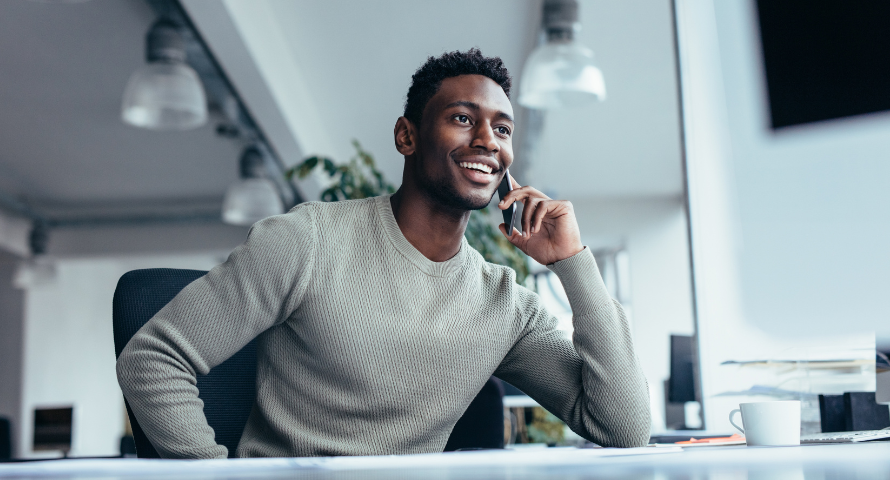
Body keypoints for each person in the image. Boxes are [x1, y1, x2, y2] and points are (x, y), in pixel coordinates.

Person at [117, 48, 650, 459]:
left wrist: (573, 262)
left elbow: (623, 428)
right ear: (407, 136)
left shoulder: (505, 307)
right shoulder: (308, 241)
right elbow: (153, 359)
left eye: (503, 128)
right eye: (464, 118)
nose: (489, 139)